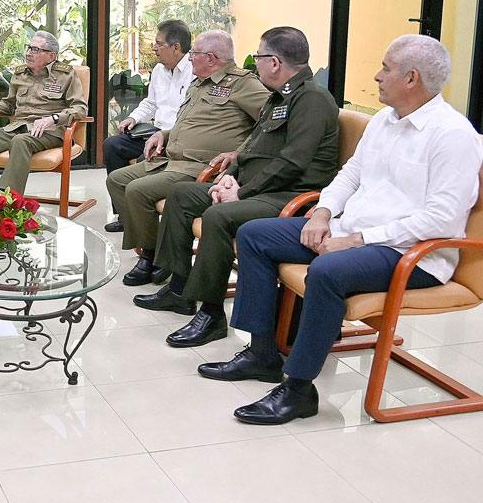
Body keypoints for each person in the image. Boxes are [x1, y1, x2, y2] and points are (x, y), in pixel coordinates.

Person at [200, 35, 483, 425]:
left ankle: (299, 388)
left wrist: (355, 240)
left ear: (412, 78)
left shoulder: (453, 135)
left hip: (411, 253)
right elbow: (350, 174)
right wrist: (322, 213)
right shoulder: (386, 120)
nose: (377, 75)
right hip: (349, 231)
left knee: (328, 272)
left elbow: (441, 218)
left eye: (386, 67)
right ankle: (262, 352)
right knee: (255, 235)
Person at [133, 27, 340, 348]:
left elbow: (292, 163)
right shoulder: (281, 95)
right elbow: (253, 146)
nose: (254, 64)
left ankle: (212, 314)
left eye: (258, 57)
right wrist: (232, 172)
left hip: (291, 195)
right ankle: (179, 288)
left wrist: (242, 191)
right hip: (262, 186)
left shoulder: (310, 99)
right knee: (183, 193)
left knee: (219, 215)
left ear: (273, 62)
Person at [107, 30, 269, 286]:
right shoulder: (199, 82)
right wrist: (164, 134)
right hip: (171, 159)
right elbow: (189, 125)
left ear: (212, 58)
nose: (190, 58)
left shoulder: (243, 84)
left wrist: (239, 152)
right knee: (117, 180)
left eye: (194, 53)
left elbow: (270, 124)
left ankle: (151, 257)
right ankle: (157, 247)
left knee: (137, 190)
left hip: (200, 167)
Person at [0, 30, 88, 201]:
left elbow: (80, 108)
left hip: (49, 132)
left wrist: (52, 119)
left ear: (51, 56)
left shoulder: (65, 75)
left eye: (35, 50)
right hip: (19, 127)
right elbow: (9, 104)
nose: (28, 53)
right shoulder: (20, 74)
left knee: (20, 141)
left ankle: (7, 202)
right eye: (29, 48)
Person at [103, 20, 195, 233]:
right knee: (112, 145)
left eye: (158, 43)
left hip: (177, 136)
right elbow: (151, 103)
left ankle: (145, 220)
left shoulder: (194, 72)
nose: (153, 48)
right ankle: (125, 215)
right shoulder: (159, 70)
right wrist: (133, 118)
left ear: (176, 47)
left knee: (148, 158)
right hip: (153, 132)